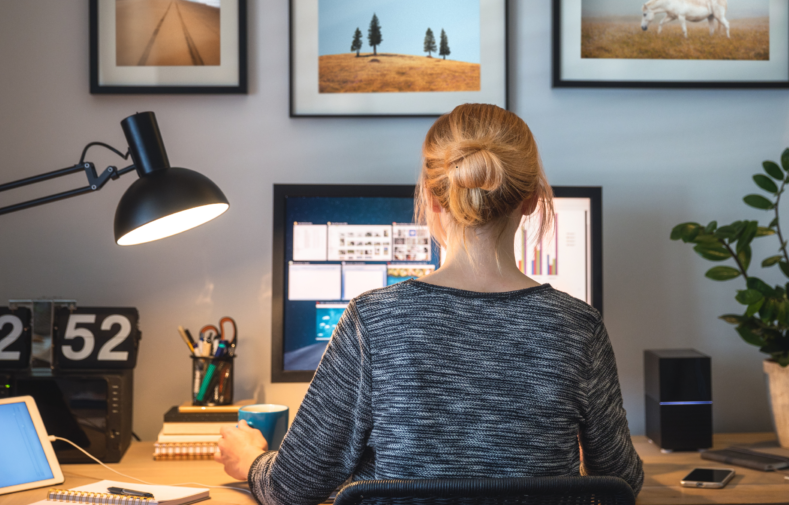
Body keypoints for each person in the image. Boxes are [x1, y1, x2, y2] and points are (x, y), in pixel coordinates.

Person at [215, 103, 644, 504]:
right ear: (532, 199)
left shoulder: (373, 319)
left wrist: (251, 461)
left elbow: (294, 486)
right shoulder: (579, 326)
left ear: (433, 197)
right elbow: (621, 480)